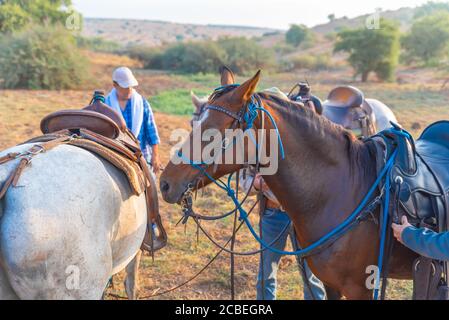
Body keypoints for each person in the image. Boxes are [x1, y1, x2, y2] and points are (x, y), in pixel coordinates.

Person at [240, 168, 327, 300]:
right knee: (266, 272)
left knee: (311, 274)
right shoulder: (255, 148)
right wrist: (256, 185)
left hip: (304, 214)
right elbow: (244, 179)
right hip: (272, 214)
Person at [105, 66, 162, 252]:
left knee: (150, 186)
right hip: (114, 154)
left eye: (131, 86)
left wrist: (155, 155)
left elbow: (151, 131)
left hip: (140, 154)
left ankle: (152, 224)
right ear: (114, 85)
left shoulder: (141, 103)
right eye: (124, 87)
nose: (129, 90)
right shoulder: (106, 105)